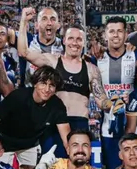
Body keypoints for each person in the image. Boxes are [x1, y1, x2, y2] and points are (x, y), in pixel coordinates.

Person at [18, 9, 112, 146]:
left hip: (79, 124)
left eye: (79, 39)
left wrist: (113, 105)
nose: (75, 43)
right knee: (51, 166)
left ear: (84, 43)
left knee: (78, 166)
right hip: (54, 123)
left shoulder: (92, 69)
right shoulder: (53, 61)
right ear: (64, 41)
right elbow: (23, 52)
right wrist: (24, 22)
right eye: (71, 39)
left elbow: (101, 99)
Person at [0, 65, 71, 169]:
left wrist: (73, 159)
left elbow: (67, 139)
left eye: (52, 85)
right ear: (35, 83)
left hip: (30, 144)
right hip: (4, 142)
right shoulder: (18, 97)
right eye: (43, 83)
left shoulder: (57, 106)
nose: (47, 89)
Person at [95, 16, 137, 169]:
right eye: (111, 31)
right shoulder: (96, 59)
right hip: (108, 128)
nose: (116, 35)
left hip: (135, 128)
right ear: (105, 35)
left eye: (120, 31)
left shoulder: (136, 56)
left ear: (126, 34)